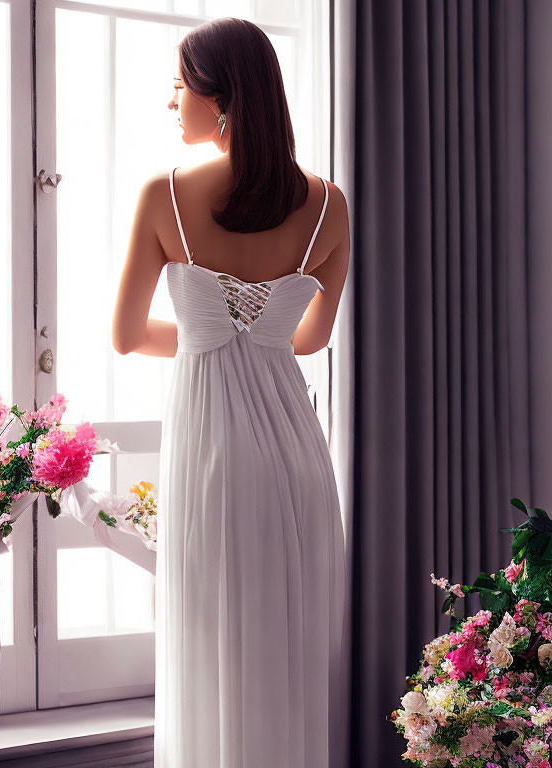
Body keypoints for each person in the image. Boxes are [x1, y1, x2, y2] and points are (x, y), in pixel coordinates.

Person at [112, 16, 350, 768]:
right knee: (286, 658)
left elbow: (124, 335)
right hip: (295, 458)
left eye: (180, 85)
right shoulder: (329, 204)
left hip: (213, 452)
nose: (170, 100)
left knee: (211, 651)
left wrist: (206, 332)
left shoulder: (168, 196)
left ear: (223, 101)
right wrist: (254, 330)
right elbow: (309, 339)